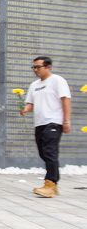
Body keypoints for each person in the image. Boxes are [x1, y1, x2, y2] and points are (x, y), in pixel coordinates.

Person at [20, 56, 71, 198]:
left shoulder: (57, 80)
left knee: (50, 152)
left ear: (48, 67)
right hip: (39, 124)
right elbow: (30, 103)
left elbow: (65, 100)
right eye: (33, 67)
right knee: (44, 153)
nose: (35, 70)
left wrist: (66, 121)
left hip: (54, 122)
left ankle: (50, 184)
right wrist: (25, 109)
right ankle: (54, 185)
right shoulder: (34, 85)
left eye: (38, 67)